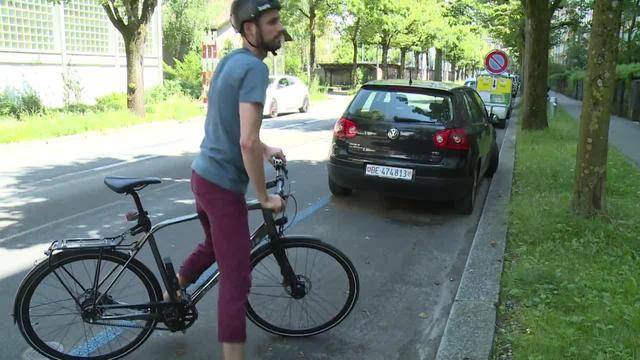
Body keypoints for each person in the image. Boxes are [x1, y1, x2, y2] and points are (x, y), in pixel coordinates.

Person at [173, 1, 290, 359]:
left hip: (202, 174)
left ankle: (171, 294)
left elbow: (231, 126)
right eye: (271, 22)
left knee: (213, 246)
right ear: (250, 30)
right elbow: (245, 141)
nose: (280, 28)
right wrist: (263, 196)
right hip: (222, 187)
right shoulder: (254, 69)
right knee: (236, 280)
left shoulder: (229, 62)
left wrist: (265, 148)